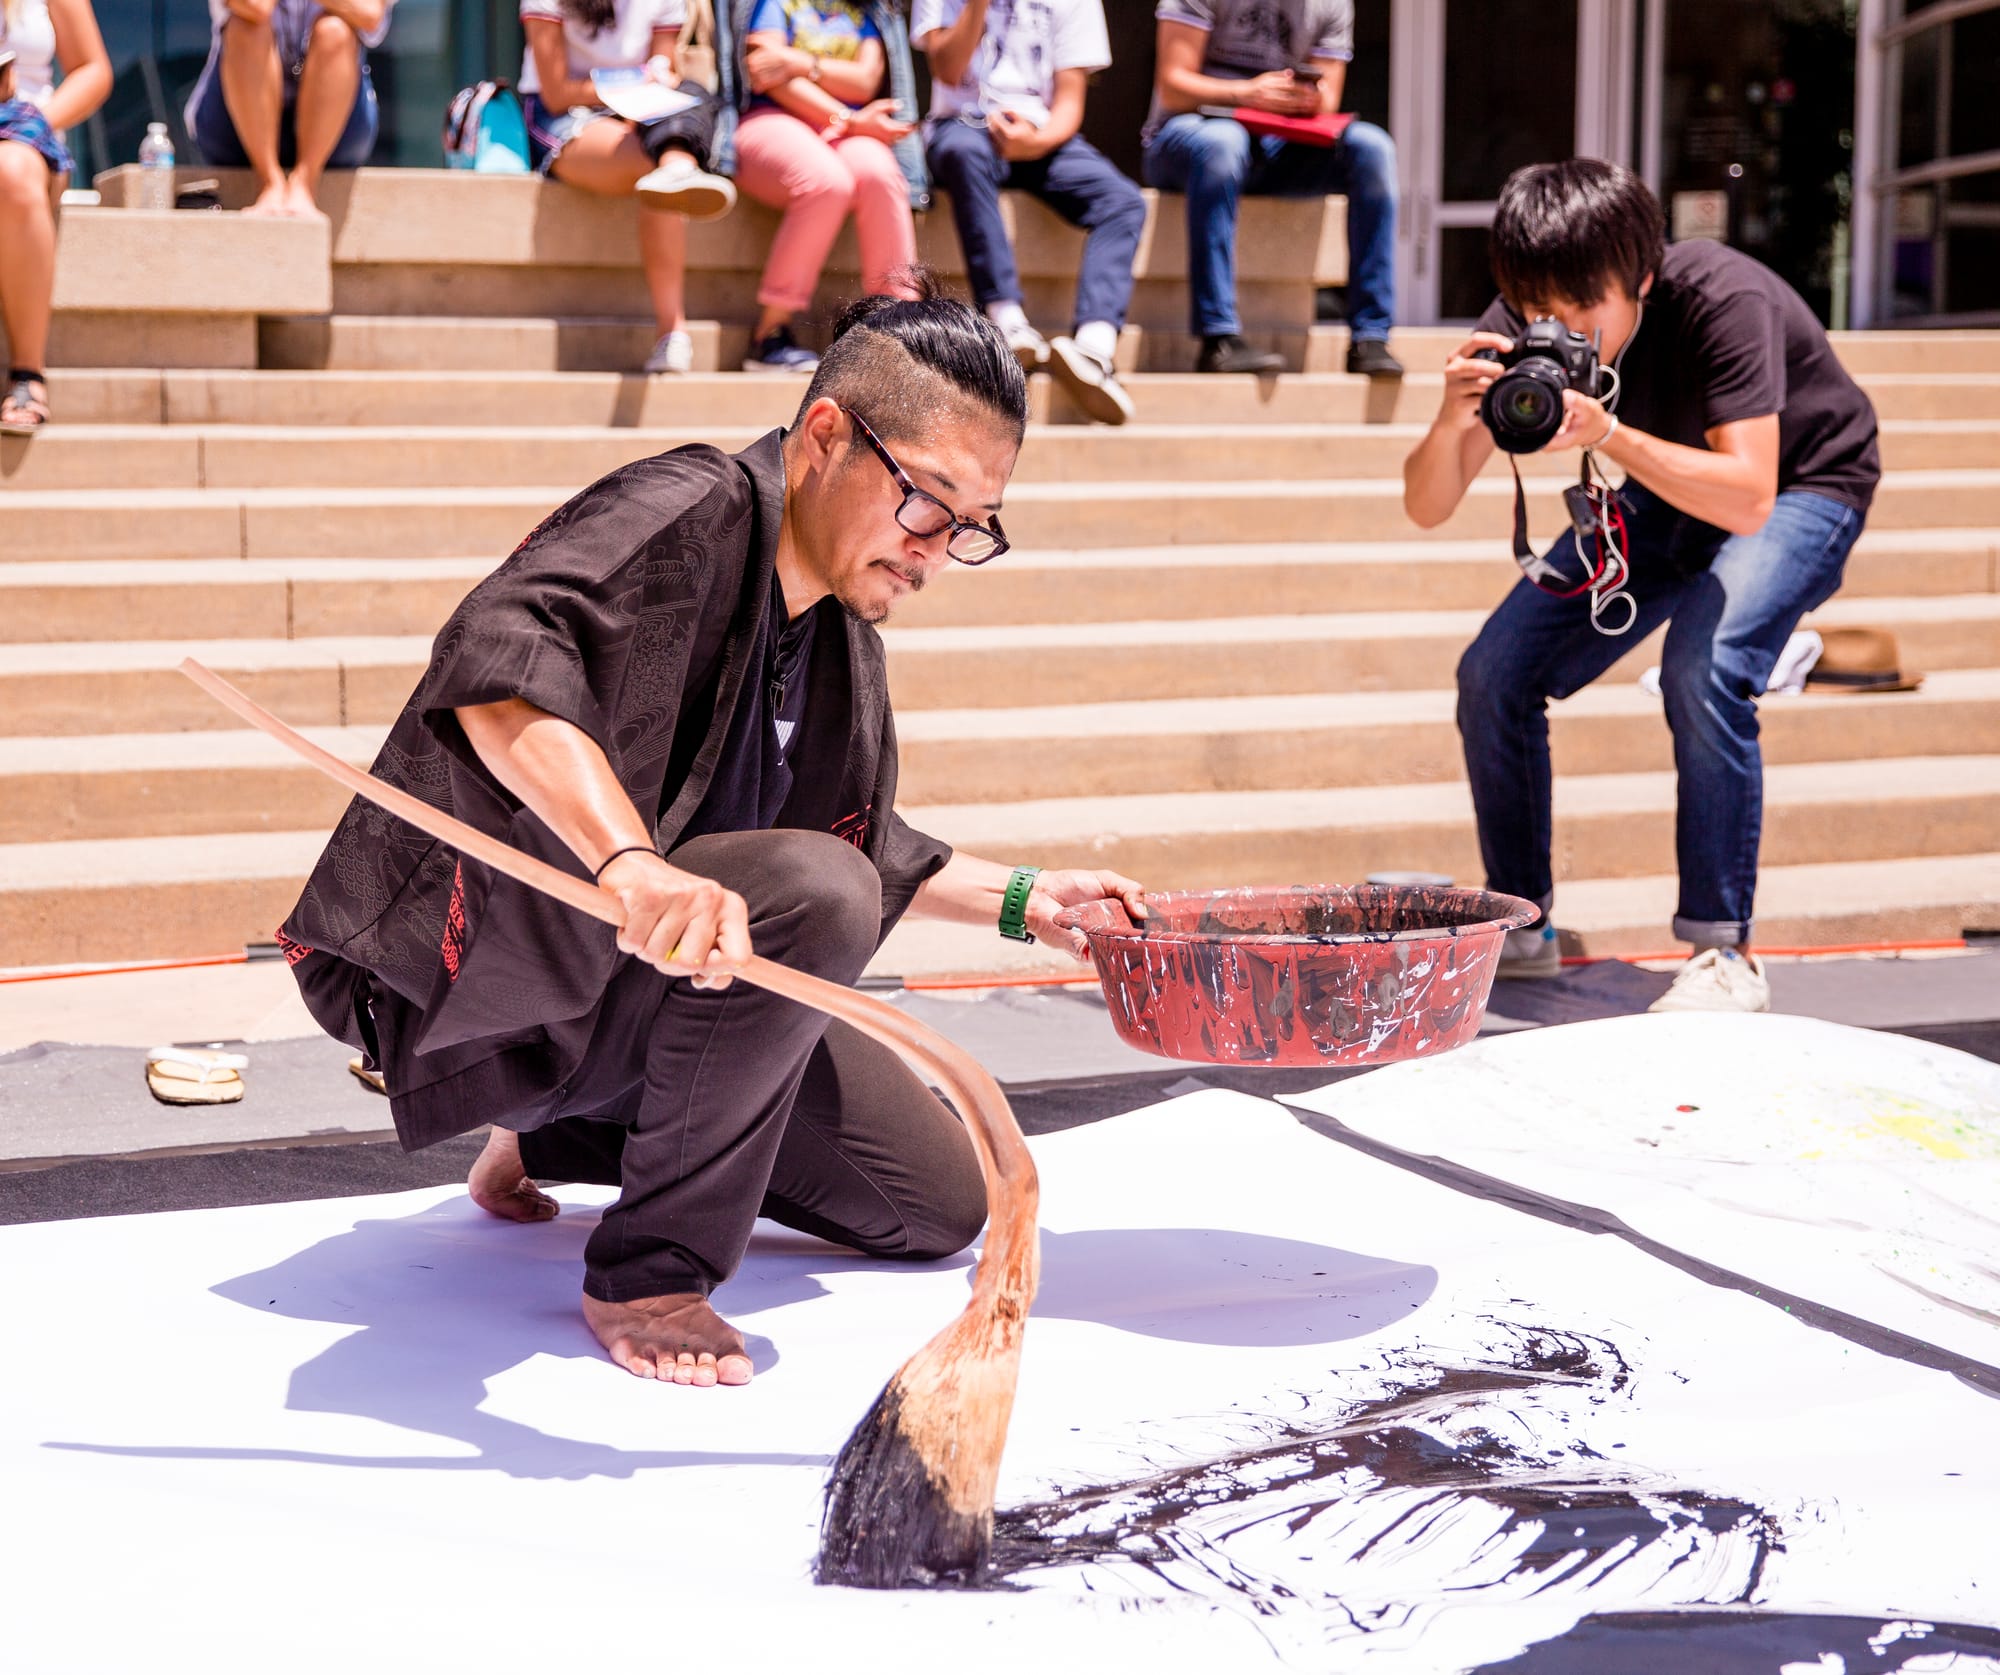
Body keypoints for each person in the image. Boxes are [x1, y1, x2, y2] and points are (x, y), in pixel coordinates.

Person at [276, 278, 1147, 1386]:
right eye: (929, 502)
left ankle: (556, 1131)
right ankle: (649, 1269)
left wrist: (1029, 901)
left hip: (642, 980)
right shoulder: (690, 505)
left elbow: (863, 842)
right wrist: (631, 865)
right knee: (820, 894)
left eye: (973, 525)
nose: (936, 551)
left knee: (931, 1202)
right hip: (492, 980)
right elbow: (496, 661)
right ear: (825, 435)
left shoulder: (836, 631)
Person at [1403, 160, 1880, 1013]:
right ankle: (1524, 925)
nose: (1558, 330)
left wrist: (1609, 434)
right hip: (1665, 490)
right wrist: (1453, 415)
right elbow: (1427, 505)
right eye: (1537, 308)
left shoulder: (1724, 298)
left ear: (1643, 279)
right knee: (1493, 672)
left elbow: (1749, 496)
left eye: (1581, 311)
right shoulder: (1523, 320)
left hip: (1805, 485)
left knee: (1706, 665)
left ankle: (1724, 953)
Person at [913, 0, 1143, 425]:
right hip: (962, 125)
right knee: (964, 154)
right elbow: (946, 70)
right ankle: (1007, 322)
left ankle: (1094, 349)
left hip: (1041, 134)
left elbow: (1070, 102)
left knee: (1124, 200)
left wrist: (1035, 143)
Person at [1141, 0, 1399, 377]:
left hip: (1277, 145)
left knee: (1374, 148)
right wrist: (1247, 93)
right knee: (1224, 142)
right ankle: (1218, 338)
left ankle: (1370, 336)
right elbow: (1173, 85)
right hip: (1187, 137)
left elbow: (1328, 100)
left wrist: (1305, 97)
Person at [520, 0, 738, 375]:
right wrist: (634, 84)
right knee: (656, 167)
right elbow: (556, 93)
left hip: (640, 113)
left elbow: (664, 70)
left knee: (688, 107)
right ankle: (672, 330)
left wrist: (650, 85)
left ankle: (677, 167)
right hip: (562, 115)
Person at [730, 0, 920, 374]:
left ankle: (898, 325)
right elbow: (765, 73)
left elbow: (865, 81)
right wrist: (847, 117)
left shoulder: (867, 9)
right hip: (771, 119)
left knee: (880, 173)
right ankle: (770, 334)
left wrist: (800, 62)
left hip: (841, 127)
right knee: (825, 181)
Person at [0, 0, 109, 435]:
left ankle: (27, 372)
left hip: (25, 133)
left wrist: (35, 121)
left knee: (10, 173)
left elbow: (92, 69)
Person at [185, 0, 392, 219]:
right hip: (233, 128)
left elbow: (369, 13)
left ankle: (304, 185)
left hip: (338, 130)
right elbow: (255, 6)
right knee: (247, 26)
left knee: (335, 30)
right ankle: (269, 183)